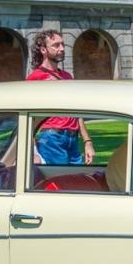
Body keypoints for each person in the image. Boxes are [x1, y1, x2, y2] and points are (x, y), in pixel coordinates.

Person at [26, 29, 95, 165]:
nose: (62, 48)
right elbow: (28, 117)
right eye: (56, 45)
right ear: (43, 50)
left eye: (62, 44)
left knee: (75, 180)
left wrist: (87, 142)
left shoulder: (67, 77)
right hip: (51, 138)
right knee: (58, 182)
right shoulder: (35, 78)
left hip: (72, 139)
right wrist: (33, 151)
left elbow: (77, 111)